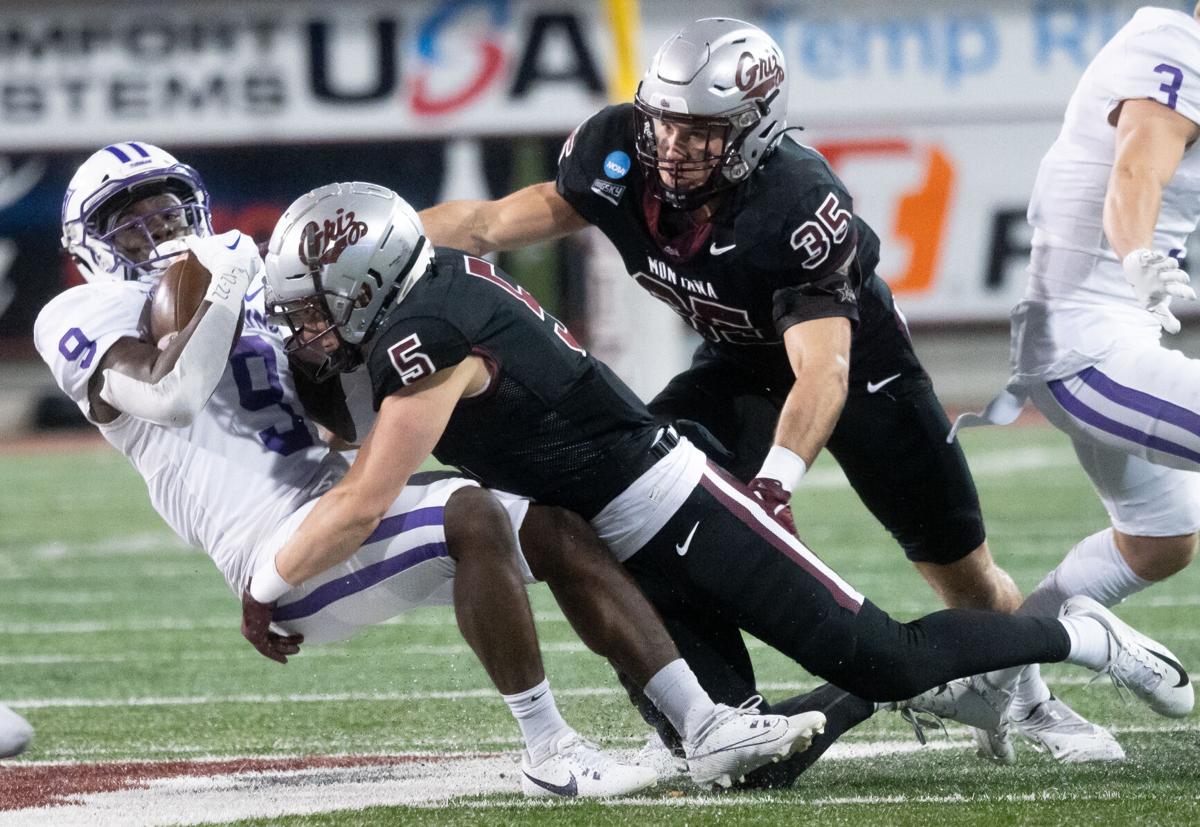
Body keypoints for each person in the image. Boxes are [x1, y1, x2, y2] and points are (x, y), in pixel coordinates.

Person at [259, 180, 1193, 788]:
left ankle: (1085, 636)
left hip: (680, 502)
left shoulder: (430, 335)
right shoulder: (421, 300)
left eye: (310, 307)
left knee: (889, 654)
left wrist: (266, 584)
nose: (304, 327)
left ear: (368, 281)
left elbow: (365, 498)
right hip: (621, 530)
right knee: (736, 758)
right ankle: (891, 688)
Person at [35, 143, 825, 798]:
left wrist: (324, 346)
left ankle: (703, 724)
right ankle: (549, 751)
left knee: (552, 519)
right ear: (89, 243)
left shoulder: (233, 274)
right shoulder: (79, 313)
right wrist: (219, 283)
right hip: (268, 545)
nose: (156, 229)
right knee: (471, 510)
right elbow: (170, 393)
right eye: (127, 221)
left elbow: (342, 420)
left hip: (336, 507)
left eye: (167, 210)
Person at [953, 4, 1200, 763]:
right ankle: (1088, 641)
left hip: (1103, 336)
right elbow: (1135, 168)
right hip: (1087, 344)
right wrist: (1134, 255)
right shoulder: (1175, 48)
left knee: (1160, 542)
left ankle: (1003, 676)